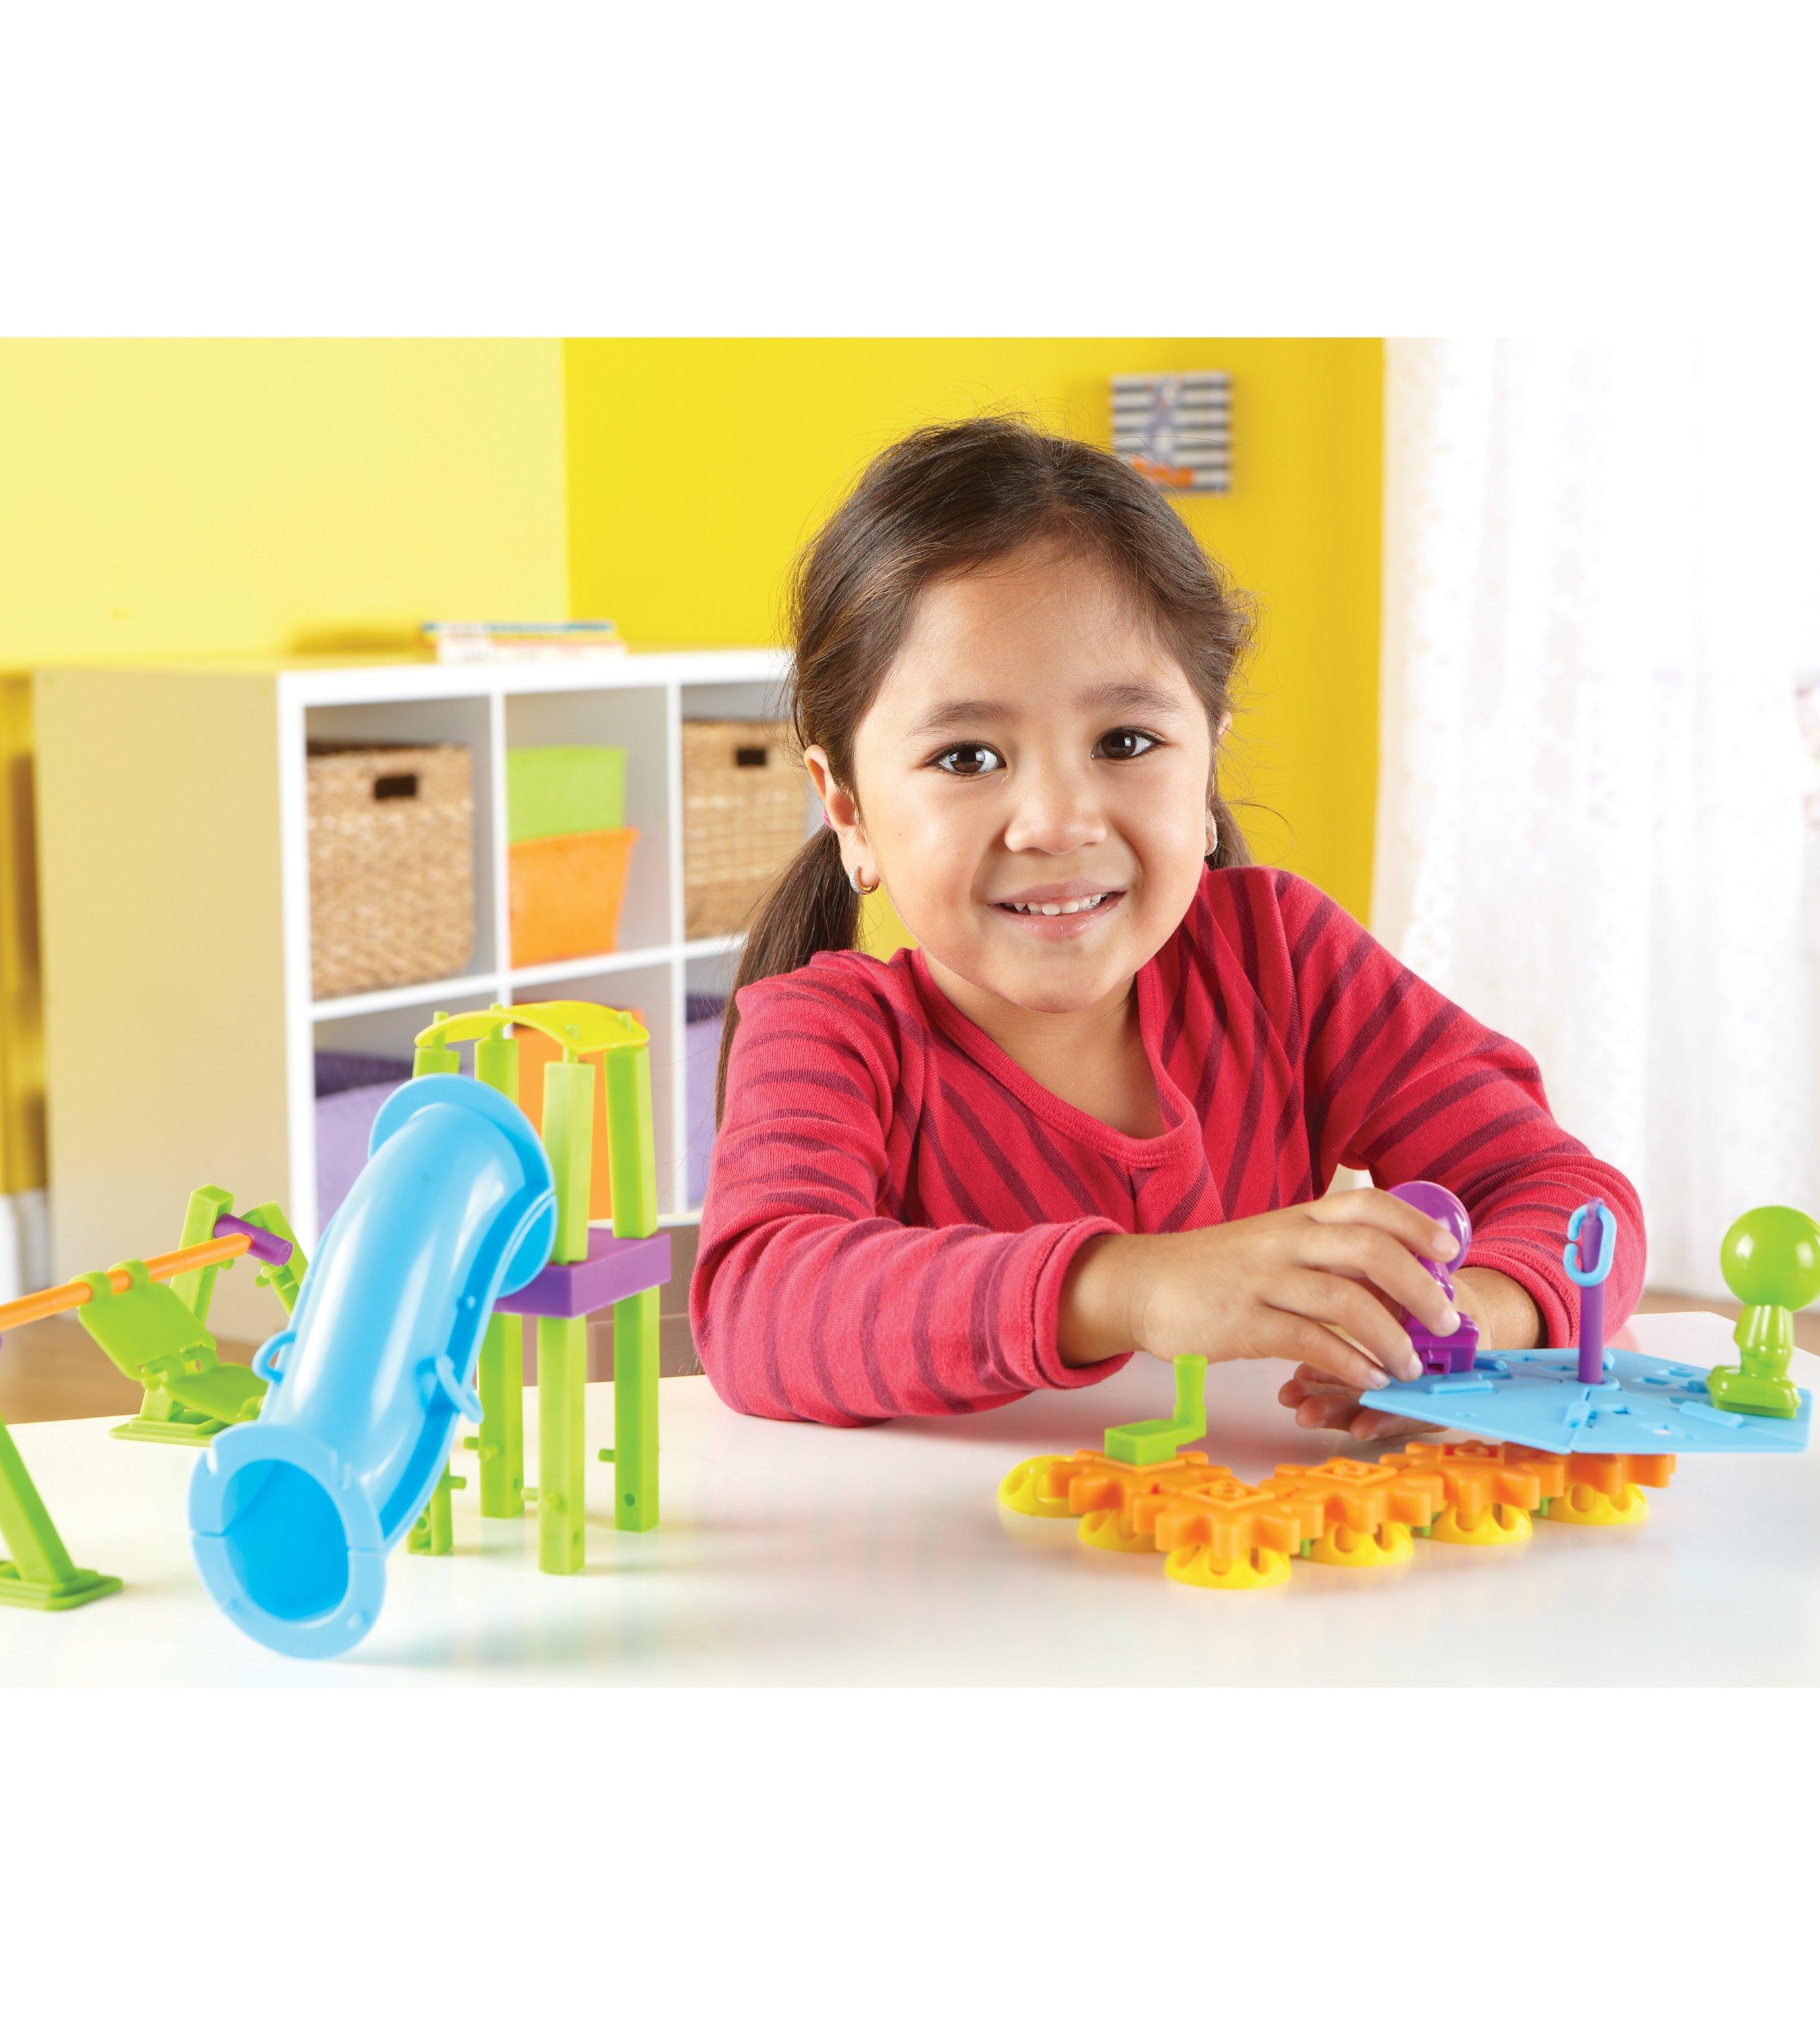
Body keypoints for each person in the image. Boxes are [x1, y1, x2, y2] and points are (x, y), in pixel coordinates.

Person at [691, 415, 1644, 1436]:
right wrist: (1133, 1287)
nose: (1058, 822)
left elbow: (1568, 1194)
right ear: (848, 812)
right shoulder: (829, 1033)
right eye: (967, 757)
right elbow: (758, 1305)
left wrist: (1458, 1327)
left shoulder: (1283, 959)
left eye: (1126, 741)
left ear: (1207, 767)